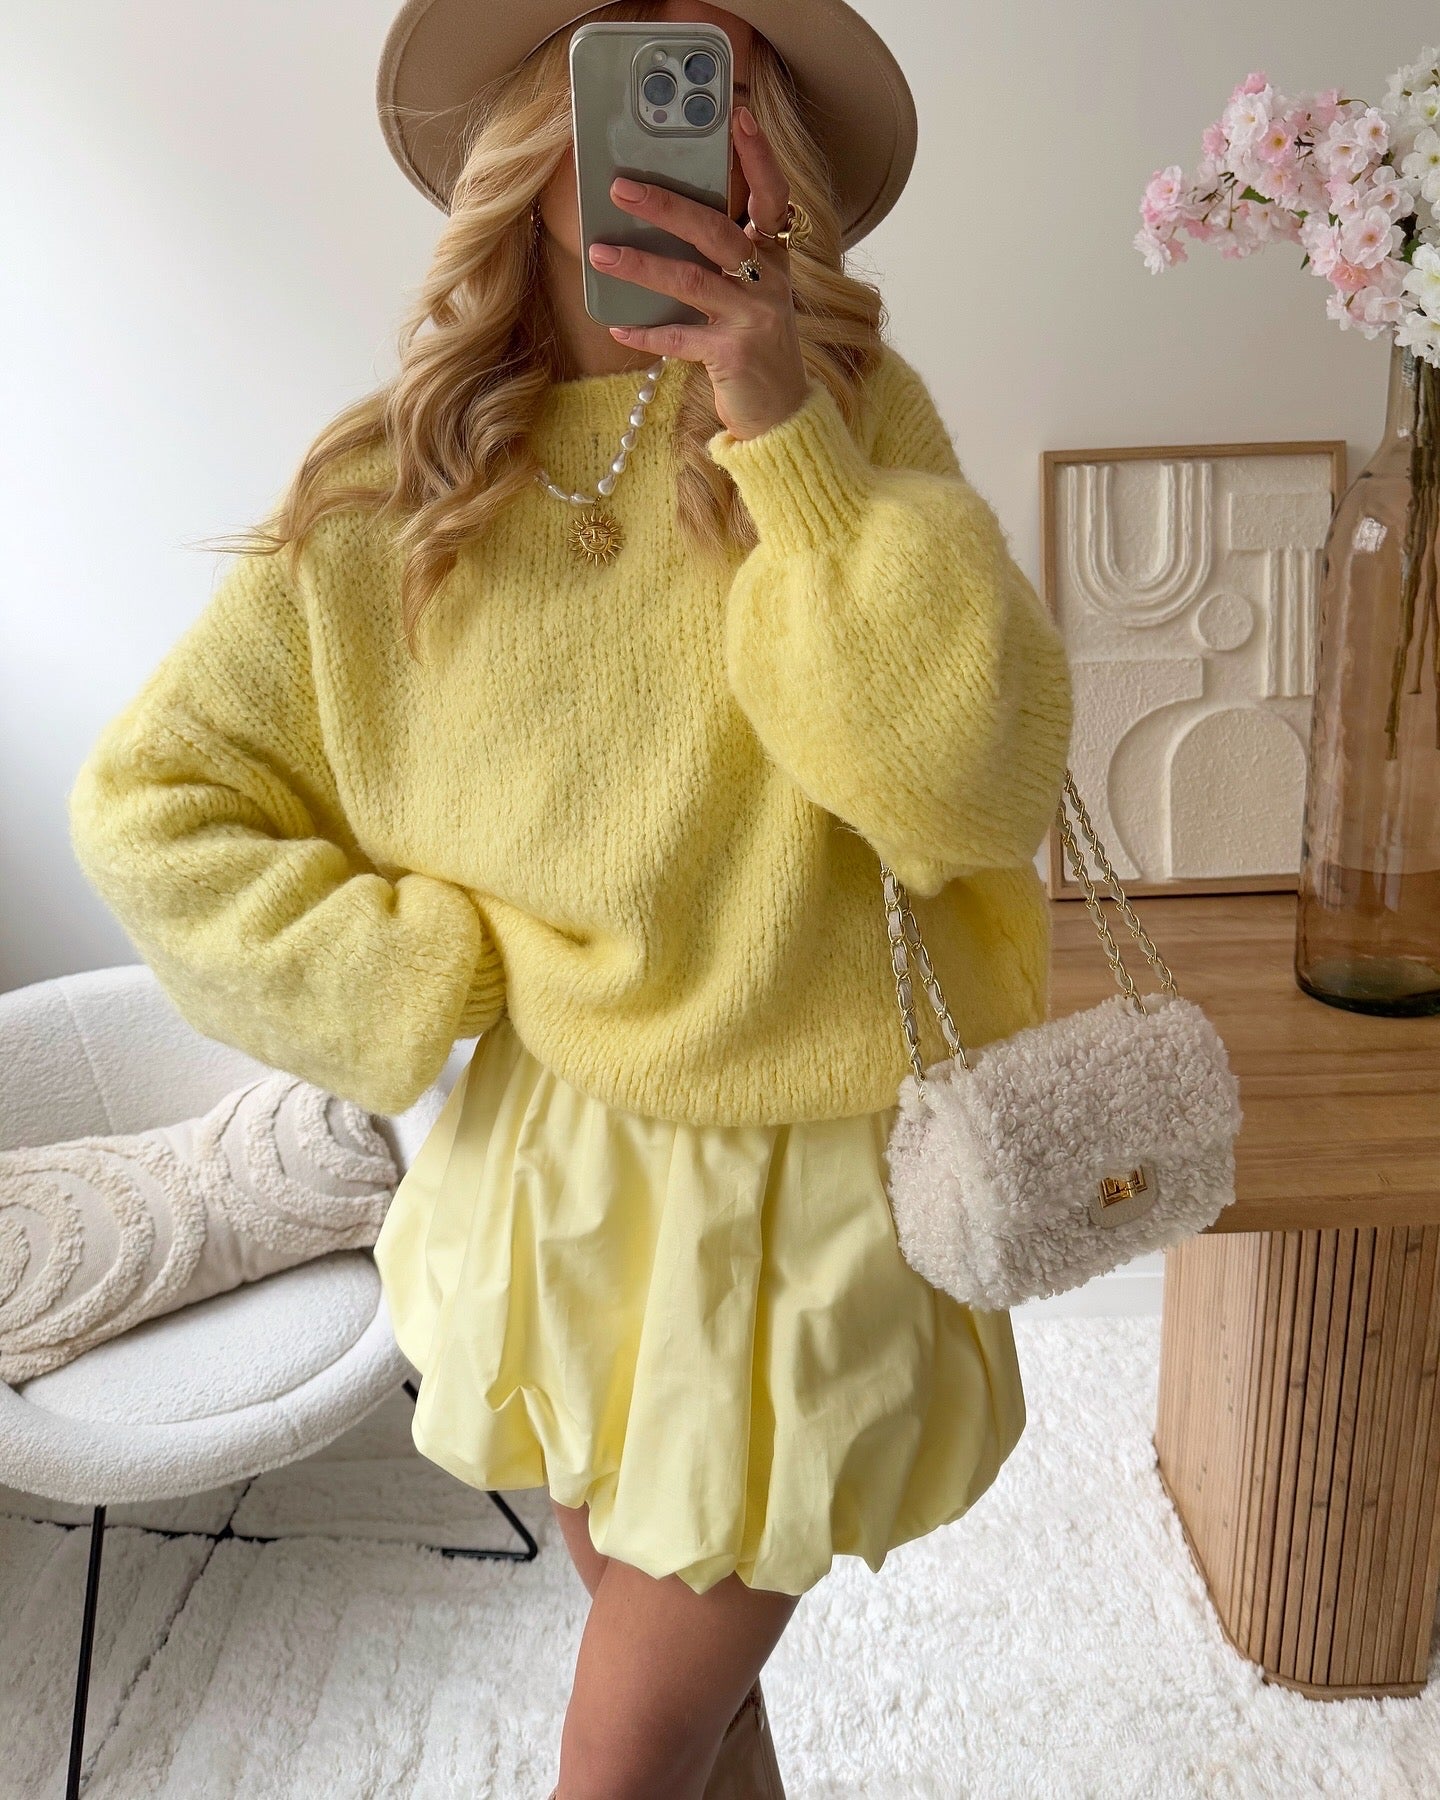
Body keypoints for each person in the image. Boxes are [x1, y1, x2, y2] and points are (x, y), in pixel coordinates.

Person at [65, 0, 1074, 1794]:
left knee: (626, 1747)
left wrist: (784, 433)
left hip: (813, 1188)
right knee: (695, 1710)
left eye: (727, 94)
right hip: (563, 1173)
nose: (688, 131)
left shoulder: (848, 417)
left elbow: (968, 788)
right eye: (646, 85)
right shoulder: (399, 489)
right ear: (548, 130)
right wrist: (418, 971)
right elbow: (156, 804)